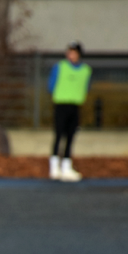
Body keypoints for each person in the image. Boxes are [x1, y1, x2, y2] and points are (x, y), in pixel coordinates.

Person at [47, 41, 91, 182]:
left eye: (73, 52)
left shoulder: (86, 70)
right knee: (58, 134)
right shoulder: (60, 67)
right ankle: (54, 167)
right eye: (69, 52)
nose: (70, 55)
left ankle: (66, 166)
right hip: (61, 104)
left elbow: (86, 87)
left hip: (75, 106)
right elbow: (51, 85)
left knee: (70, 136)